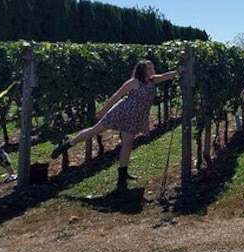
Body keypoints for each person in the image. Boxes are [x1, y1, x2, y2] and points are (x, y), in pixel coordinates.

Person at [50, 60, 179, 186]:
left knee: (127, 145)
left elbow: (165, 76)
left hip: (134, 118)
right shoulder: (133, 82)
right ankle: (67, 144)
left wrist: (179, 71)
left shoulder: (152, 80)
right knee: (94, 131)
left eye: (153, 68)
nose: (153, 70)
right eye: (150, 69)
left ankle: (122, 176)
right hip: (121, 112)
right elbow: (117, 96)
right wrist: (103, 110)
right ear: (142, 70)